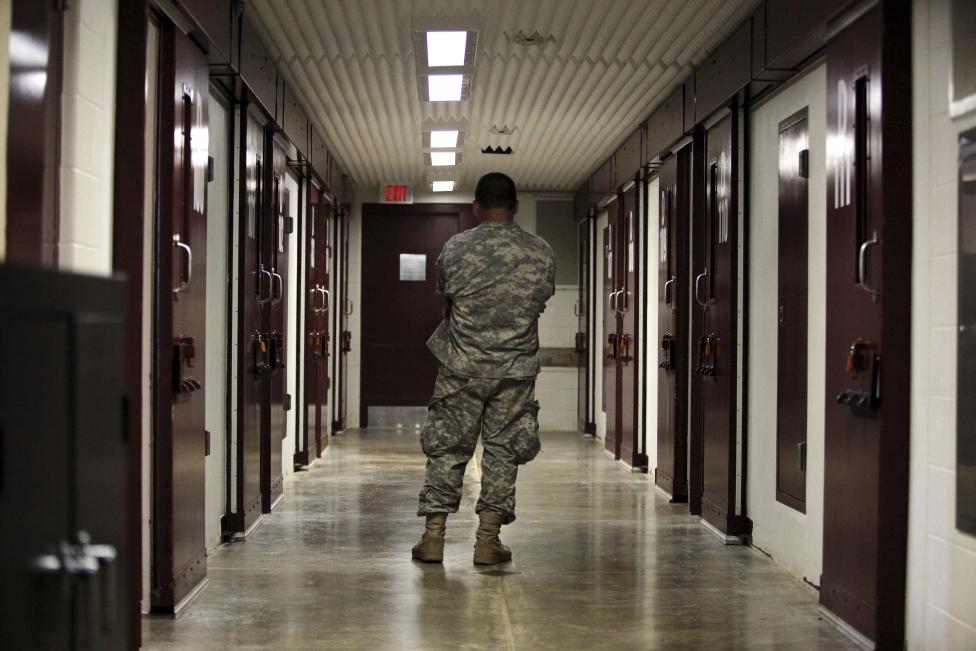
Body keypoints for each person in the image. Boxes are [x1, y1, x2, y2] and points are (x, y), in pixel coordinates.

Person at [412, 172, 556, 565]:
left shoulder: (456, 248)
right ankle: (487, 541)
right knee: (502, 453)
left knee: (447, 448)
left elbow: (447, 298)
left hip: (462, 367)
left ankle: (433, 538)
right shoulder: (540, 251)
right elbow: (538, 302)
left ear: (476, 206)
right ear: (515, 206)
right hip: (514, 370)